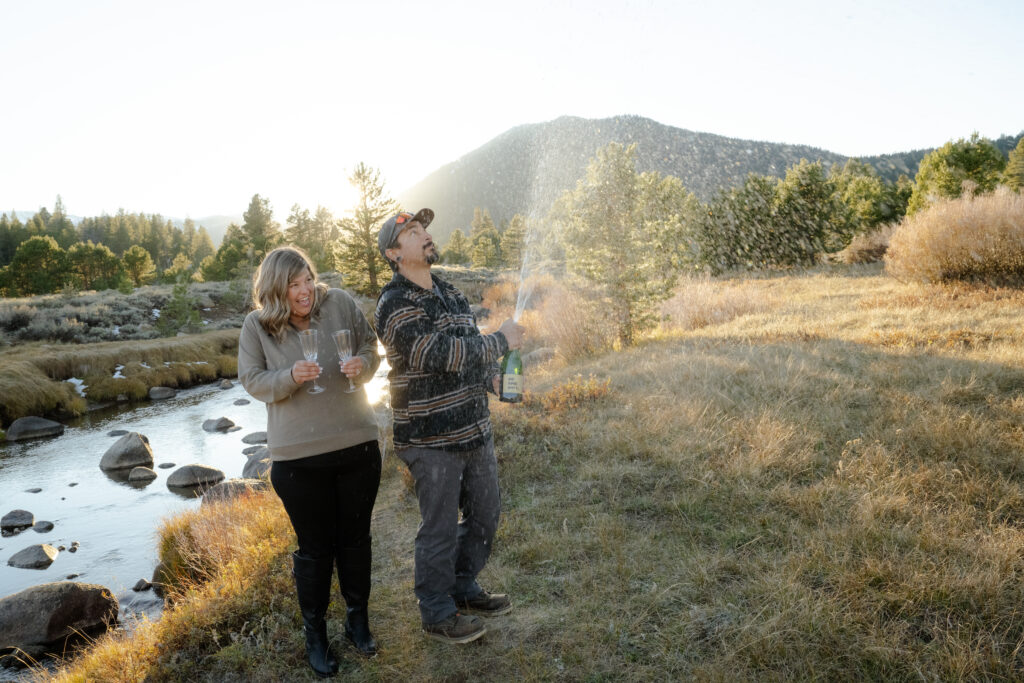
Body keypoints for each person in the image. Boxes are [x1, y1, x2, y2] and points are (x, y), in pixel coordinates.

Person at [374, 209, 525, 644]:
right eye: (412, 232)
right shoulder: (394, 303)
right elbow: (436, 353)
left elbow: (467, 354)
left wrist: (491, 378)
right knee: (438, 528)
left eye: (424, 229)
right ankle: (437, 612)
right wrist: (501, 341)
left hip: (474, 429)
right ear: (394, 253)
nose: (425, 235)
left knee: (485, 516)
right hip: (429, 438)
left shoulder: (451, 293)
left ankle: (462, 586)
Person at [238, 246, 382, 677]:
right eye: (293, 285)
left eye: (307, 280)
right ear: (274, 289)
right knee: (315, 550)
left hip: (357, 445)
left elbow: (370, 347)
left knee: (355, 540)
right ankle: (316, 636)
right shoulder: (257, 325)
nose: (305, 291)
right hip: (298, 459)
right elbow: (251, 379)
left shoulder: (340, 303)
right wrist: (289, 377)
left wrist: (364, 366)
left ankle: (358, 622)